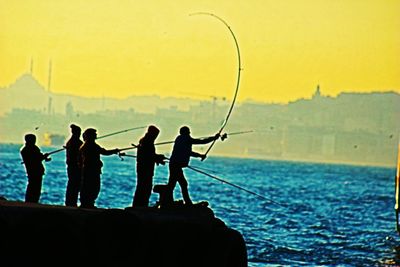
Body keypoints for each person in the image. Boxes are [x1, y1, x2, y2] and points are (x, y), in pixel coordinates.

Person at [168, 126, 220, 205]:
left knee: (173, 184)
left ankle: (170, 201)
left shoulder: (180, 139)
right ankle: (186, 202)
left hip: (174, 164)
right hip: (176, 165)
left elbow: (188, 152)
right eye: (188, 133)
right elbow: (201, 142)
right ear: (186, 133)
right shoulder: (186, 139)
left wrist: (200, 155)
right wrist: (214, 138)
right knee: (181, 184)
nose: (189, 135)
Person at [78, 128, 119, 209]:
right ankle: (88, 203)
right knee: (93, 187)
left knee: (89, 187)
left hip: (89, 170)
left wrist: (114, 151)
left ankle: (87, 203)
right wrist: (115, 151)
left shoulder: (87, 145)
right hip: (92, 171)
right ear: (91, 136)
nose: (96, 135)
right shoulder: (91, 145)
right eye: (94, 134)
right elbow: (104, 152)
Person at [132, 125, 166, 207]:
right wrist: (158, 157)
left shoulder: (144, 141)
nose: (156, 137)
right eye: (155, 135)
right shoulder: (147, 142)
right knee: (145, 188)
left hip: (144, 168)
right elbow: (148, 155)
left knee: (142, 187)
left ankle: (139, 204)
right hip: (145, 169)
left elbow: (149, 155)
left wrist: (158, 159)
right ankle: (141, 205)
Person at [20, 133, 51, 203]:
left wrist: (43, 157)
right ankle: (32, 201)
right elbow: (36, 158)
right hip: (35, 171)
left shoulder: (25, 149)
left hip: (32, 171)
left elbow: (37, 157)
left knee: (32, 186)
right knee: (35, 188)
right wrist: (43, 156)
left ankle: (30, 201)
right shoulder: (32, 148)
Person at [65, 124, 83, 207]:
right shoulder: (78, 143)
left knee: (72, 184)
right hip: (75, 167)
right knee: (75, 185)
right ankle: (72, 202)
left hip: (71, 167)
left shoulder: (70, 142)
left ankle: (70, 202)